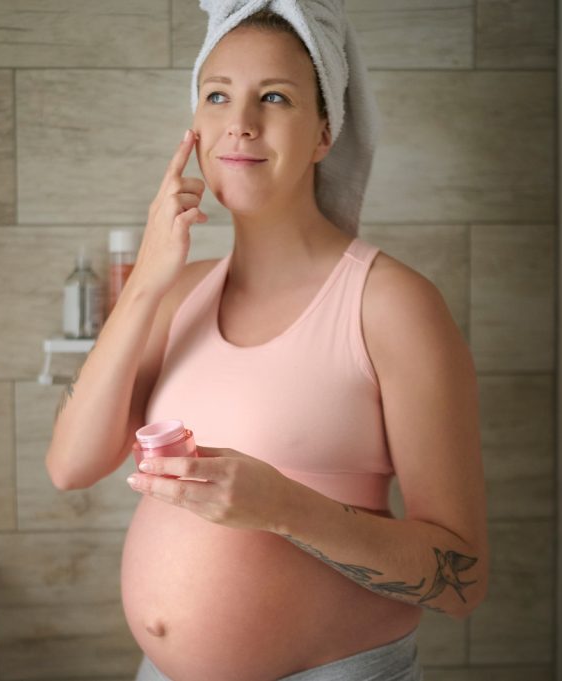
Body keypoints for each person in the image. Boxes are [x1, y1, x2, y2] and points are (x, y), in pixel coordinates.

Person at [45, 3, 489, 680]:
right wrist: (145, 280)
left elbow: (464, 581)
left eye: (274, 97)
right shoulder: (173, 293)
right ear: (194, 126)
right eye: (217, 95)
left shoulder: (391, 306)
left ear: (323, 132)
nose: (240, 122)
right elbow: (70, 465)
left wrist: (284, 507)